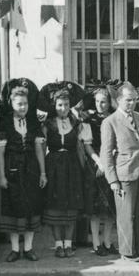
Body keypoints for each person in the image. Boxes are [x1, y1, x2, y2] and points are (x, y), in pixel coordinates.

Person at [101, 84, 139, 262]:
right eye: (128, 100)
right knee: (126, 214)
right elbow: (106, 153)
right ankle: (127, 252)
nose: (132, 103)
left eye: (134, 99)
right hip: (124, 173)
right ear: (118, 100)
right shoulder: (110, 122)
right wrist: (112, 180)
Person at [0, 80, 47, 262]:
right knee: (13, 207)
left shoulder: (33, 123)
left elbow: (39, 148)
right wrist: (1, 175)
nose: (23, 107)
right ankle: (15, 249)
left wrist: (42, 173)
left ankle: (29, 248)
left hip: (31, 168)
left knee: (31, 206)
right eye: (19, 104)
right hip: (12, 168)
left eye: (25, 103)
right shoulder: (4, 124)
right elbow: (0, 153)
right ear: (11, 103)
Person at [40, 83, 88, 258]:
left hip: (71, 166)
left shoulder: (76, 123)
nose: (63, 108)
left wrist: (83, 170)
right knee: (55, 206)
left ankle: (68, 243)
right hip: (53, 165)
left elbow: (80, 147)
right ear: (55, 106)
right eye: (60, 105)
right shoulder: (48, 124)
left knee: (70, 206)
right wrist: (43, 172)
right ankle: (58, 244)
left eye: (66, 105)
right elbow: (42, 147)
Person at [80, 87, 118, 256]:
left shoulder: (115, 118)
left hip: (113, 162)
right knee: (95, 207)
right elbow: (87, 145)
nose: (100, 105)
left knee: (110, 207)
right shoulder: (89, 120)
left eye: (103, 101)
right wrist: (99, 161)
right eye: (97, 101)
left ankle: (108, 241)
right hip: (96, 162)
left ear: (109, 102)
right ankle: (96, 242)